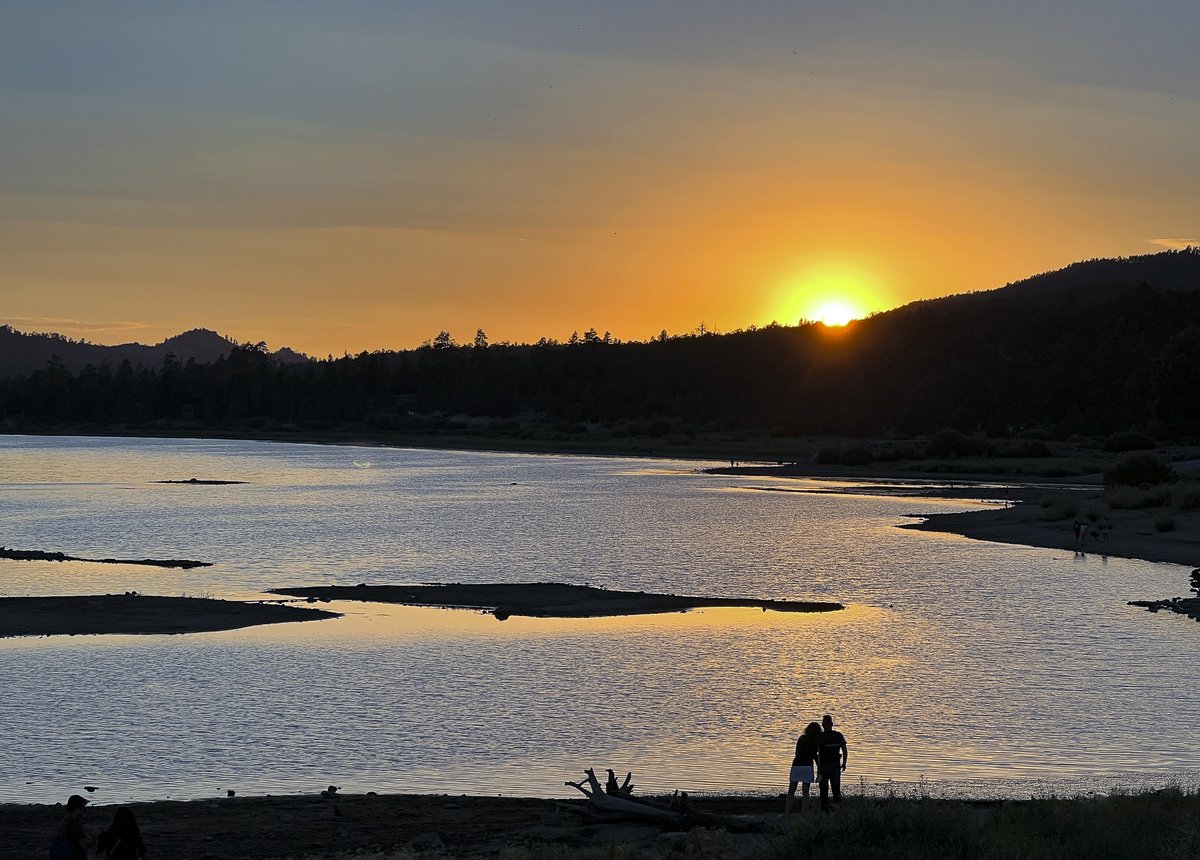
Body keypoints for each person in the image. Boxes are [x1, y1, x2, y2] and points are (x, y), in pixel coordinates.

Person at [785, 721, 822, 813]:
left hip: (797, 765)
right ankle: (804, 812)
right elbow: (816, 758)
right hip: (807, 767)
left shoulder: (801, 739)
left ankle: (787, 812)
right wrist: (819, 771)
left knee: (791, 791)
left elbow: (796, 753)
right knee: (805, 792)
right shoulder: (816, 742)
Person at [818, 713, 848, 812]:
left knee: (826, 789)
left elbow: (844, 749)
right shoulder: (837, 736)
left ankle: (826, 809)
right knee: (833, 788)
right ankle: (834, 808)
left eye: (825, 724)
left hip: (828, 766)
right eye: (824, 724)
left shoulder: (821, 737)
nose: (825, 725)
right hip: (831, 766)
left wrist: (844, 762)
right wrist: (844, 762)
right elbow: (844, 749)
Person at [48, 794, 89, 860]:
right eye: (83, 809)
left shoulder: (64, 821)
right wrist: (93, 841)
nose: (84, 811)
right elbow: (83, 845)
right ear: (78, 808)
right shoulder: (75, 824)